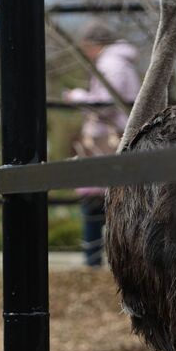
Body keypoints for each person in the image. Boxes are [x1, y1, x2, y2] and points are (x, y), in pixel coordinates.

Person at [63, 19, 141, 268]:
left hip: (105, 143)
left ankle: (94, 262)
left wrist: (76, 96)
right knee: (112, 204)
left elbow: (105, 104)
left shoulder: (111, 64)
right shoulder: (121, 63)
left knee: (95, 204)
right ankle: (111, 261)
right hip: (115, 140)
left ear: (93, 44)